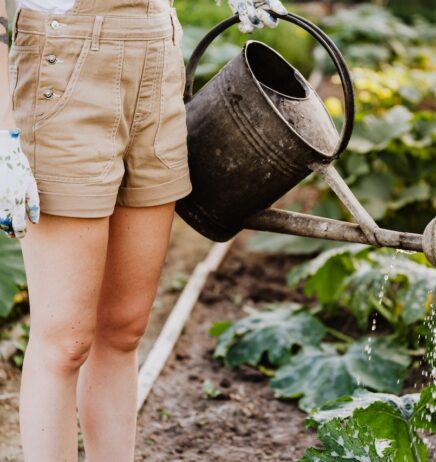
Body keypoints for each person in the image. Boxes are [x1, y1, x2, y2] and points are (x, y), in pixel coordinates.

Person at [0, 0, 287, 460]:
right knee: (66, 341)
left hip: (157, 52)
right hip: (66, 61)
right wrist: (3, 133)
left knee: (124, 329)